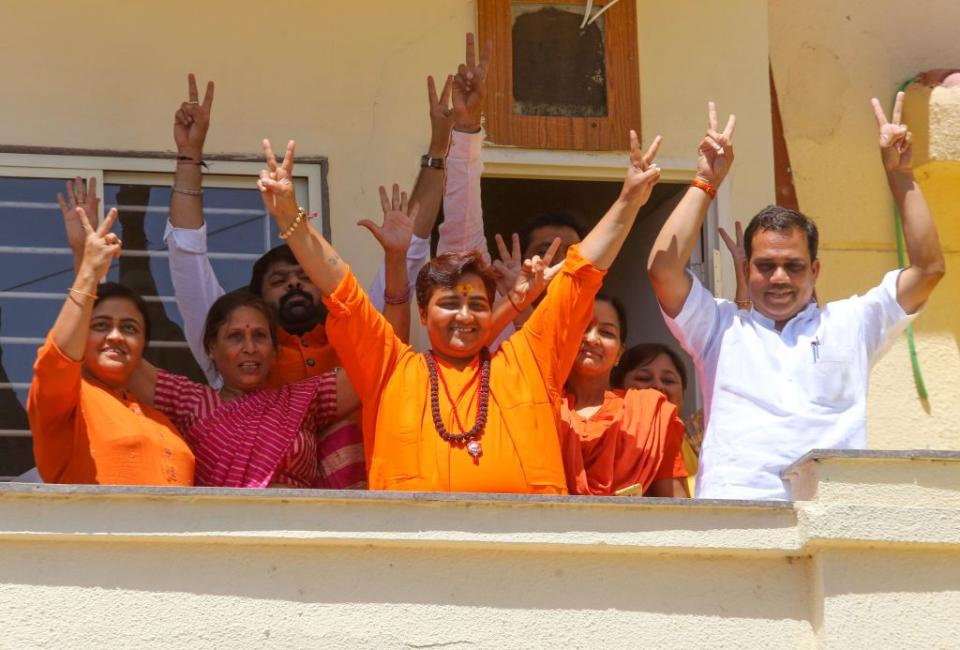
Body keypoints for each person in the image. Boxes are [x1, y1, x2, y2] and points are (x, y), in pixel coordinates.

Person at [256, 127, 662, 493]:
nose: (465, 316)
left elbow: (580, 275)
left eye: (477, 305)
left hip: (526, 559)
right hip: (415, 564)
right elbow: (341, 289)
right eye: (450, 303)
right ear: (422, 312)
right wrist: (291, 217)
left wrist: (628, 201)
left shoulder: (529, 362)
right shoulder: (390, 370)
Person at [647, 96, 945, 500]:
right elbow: (663, 268)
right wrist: (706, 181)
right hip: (736, 518)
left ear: (815, 270)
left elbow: (928, 269)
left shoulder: (852, 323)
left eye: (794, 266)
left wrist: (902, 175)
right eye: (766, 266)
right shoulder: (719, 327)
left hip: (833, 519)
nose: (780, 278)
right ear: (746, 268)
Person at [163, 73, 451, 389]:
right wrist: (189, 155)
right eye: (279, 280)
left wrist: (439, 147)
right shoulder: (235, 356)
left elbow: (410, 248)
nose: (294, 284)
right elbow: (187, 258)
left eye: (305, 276)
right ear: (258, 299)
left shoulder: (355, 335)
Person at [127, 290, 365, 489]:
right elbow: (122, 357)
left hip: (297, 535)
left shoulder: (304, 400)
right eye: (235, 337)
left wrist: (396, 264)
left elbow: (377, 361)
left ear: (274, 350)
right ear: (212, 347)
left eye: (260, 336)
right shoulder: (189, 401)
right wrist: (90, 273)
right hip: (222, 536)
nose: (249, 348)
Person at [26, 207, 195, 485]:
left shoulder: (161, 418)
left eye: (129, 328)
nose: (115, 336)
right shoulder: (67, 402)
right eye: (101, 325)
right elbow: (58, 359)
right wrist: (88, 271)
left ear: (143, 346)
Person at [560, 295, 687, 497]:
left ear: (619, 354)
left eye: (606, 332)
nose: (592, 339)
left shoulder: (651, 414)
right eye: (582, 327)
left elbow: (676, 511)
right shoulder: (542, 408)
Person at [612, 342, 700, 498]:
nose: (658, 386)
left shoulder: (701, 441)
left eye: (668, 381)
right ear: (617, 389)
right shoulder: (608, 442)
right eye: (643, 378)